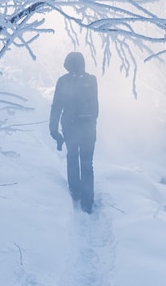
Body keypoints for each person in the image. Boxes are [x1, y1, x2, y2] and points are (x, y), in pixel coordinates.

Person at [49, 52, 99, 213]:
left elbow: (56, 106)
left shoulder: (63, 81)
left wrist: (54, 129)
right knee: (87, 163)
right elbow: (96, 107)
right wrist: (92, 123)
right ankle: (88, 201)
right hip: (89, 127)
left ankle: (75, 191)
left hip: (70, 126)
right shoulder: (91, 80)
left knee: (72, 157)